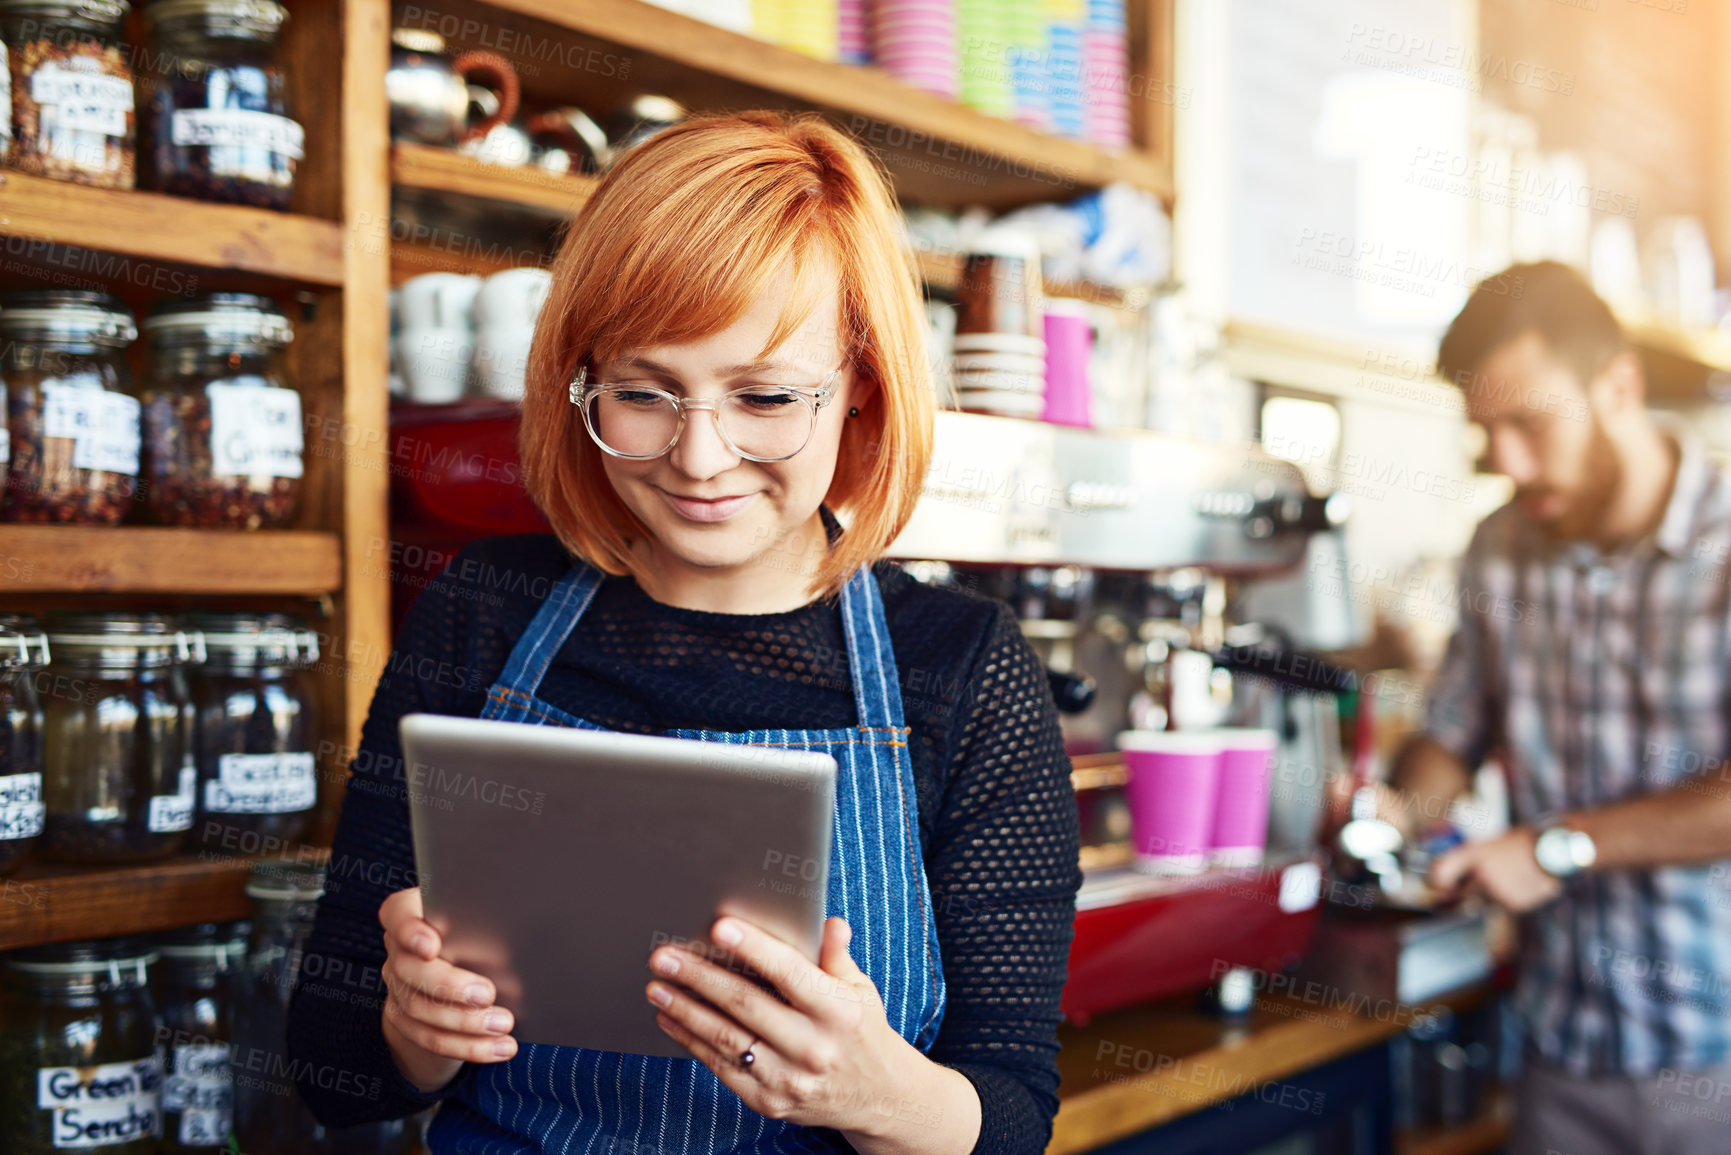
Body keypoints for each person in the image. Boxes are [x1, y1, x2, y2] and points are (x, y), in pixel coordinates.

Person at [283, 110, 1082, 1154]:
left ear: (863, 393)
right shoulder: (484, 612)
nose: (700, 458)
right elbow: (331, 1074)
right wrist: (415, 1028)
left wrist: (877, 1093)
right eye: (645, 393)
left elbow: (1013, 1116)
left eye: (764, 397)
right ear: (581, 385)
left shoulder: (964, 670)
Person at [1368, 261, 1731, 1154]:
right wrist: (1397, 813)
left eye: (1529, 423)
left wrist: (1557, 845)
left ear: (1618, 386)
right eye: (1486, 434)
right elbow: (1453, 727)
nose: (1510, 464)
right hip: (1557, 1047)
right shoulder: (1500, 547)